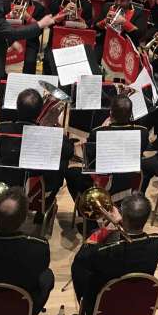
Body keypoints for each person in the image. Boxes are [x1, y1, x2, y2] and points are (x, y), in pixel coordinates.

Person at [70, 194, 158, 315]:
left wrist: (107, 229)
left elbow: (81, 256)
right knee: (133, 279)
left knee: (78, 268)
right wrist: (123, 222)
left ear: (124, 217)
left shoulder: (103, 252)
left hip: (102, 305)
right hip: (137, 303)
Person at [65, 94, 150, 225]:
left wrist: (103, 128)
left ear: (110, 113)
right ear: (131, 114)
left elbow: (90, 159)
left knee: (71, 173)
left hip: (105, 182)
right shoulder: (143, 132)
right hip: (130, 179)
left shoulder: (98, 132)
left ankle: (88, 216)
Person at [0, 88, 74, 215]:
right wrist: (55, 127)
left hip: (3, 185)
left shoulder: (1, 129)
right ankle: (44, 204)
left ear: (17, 108)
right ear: (40, 111)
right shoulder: (47, 135)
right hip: (32, 190)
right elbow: (69, 152)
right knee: (62, 161)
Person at [5, 0, 46, 75]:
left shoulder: (39, 7)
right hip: (7, 40)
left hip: (29, 42)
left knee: (30, 62)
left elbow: (40, 30)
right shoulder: (6, 4)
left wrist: (28, 17)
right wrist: (9, 15)